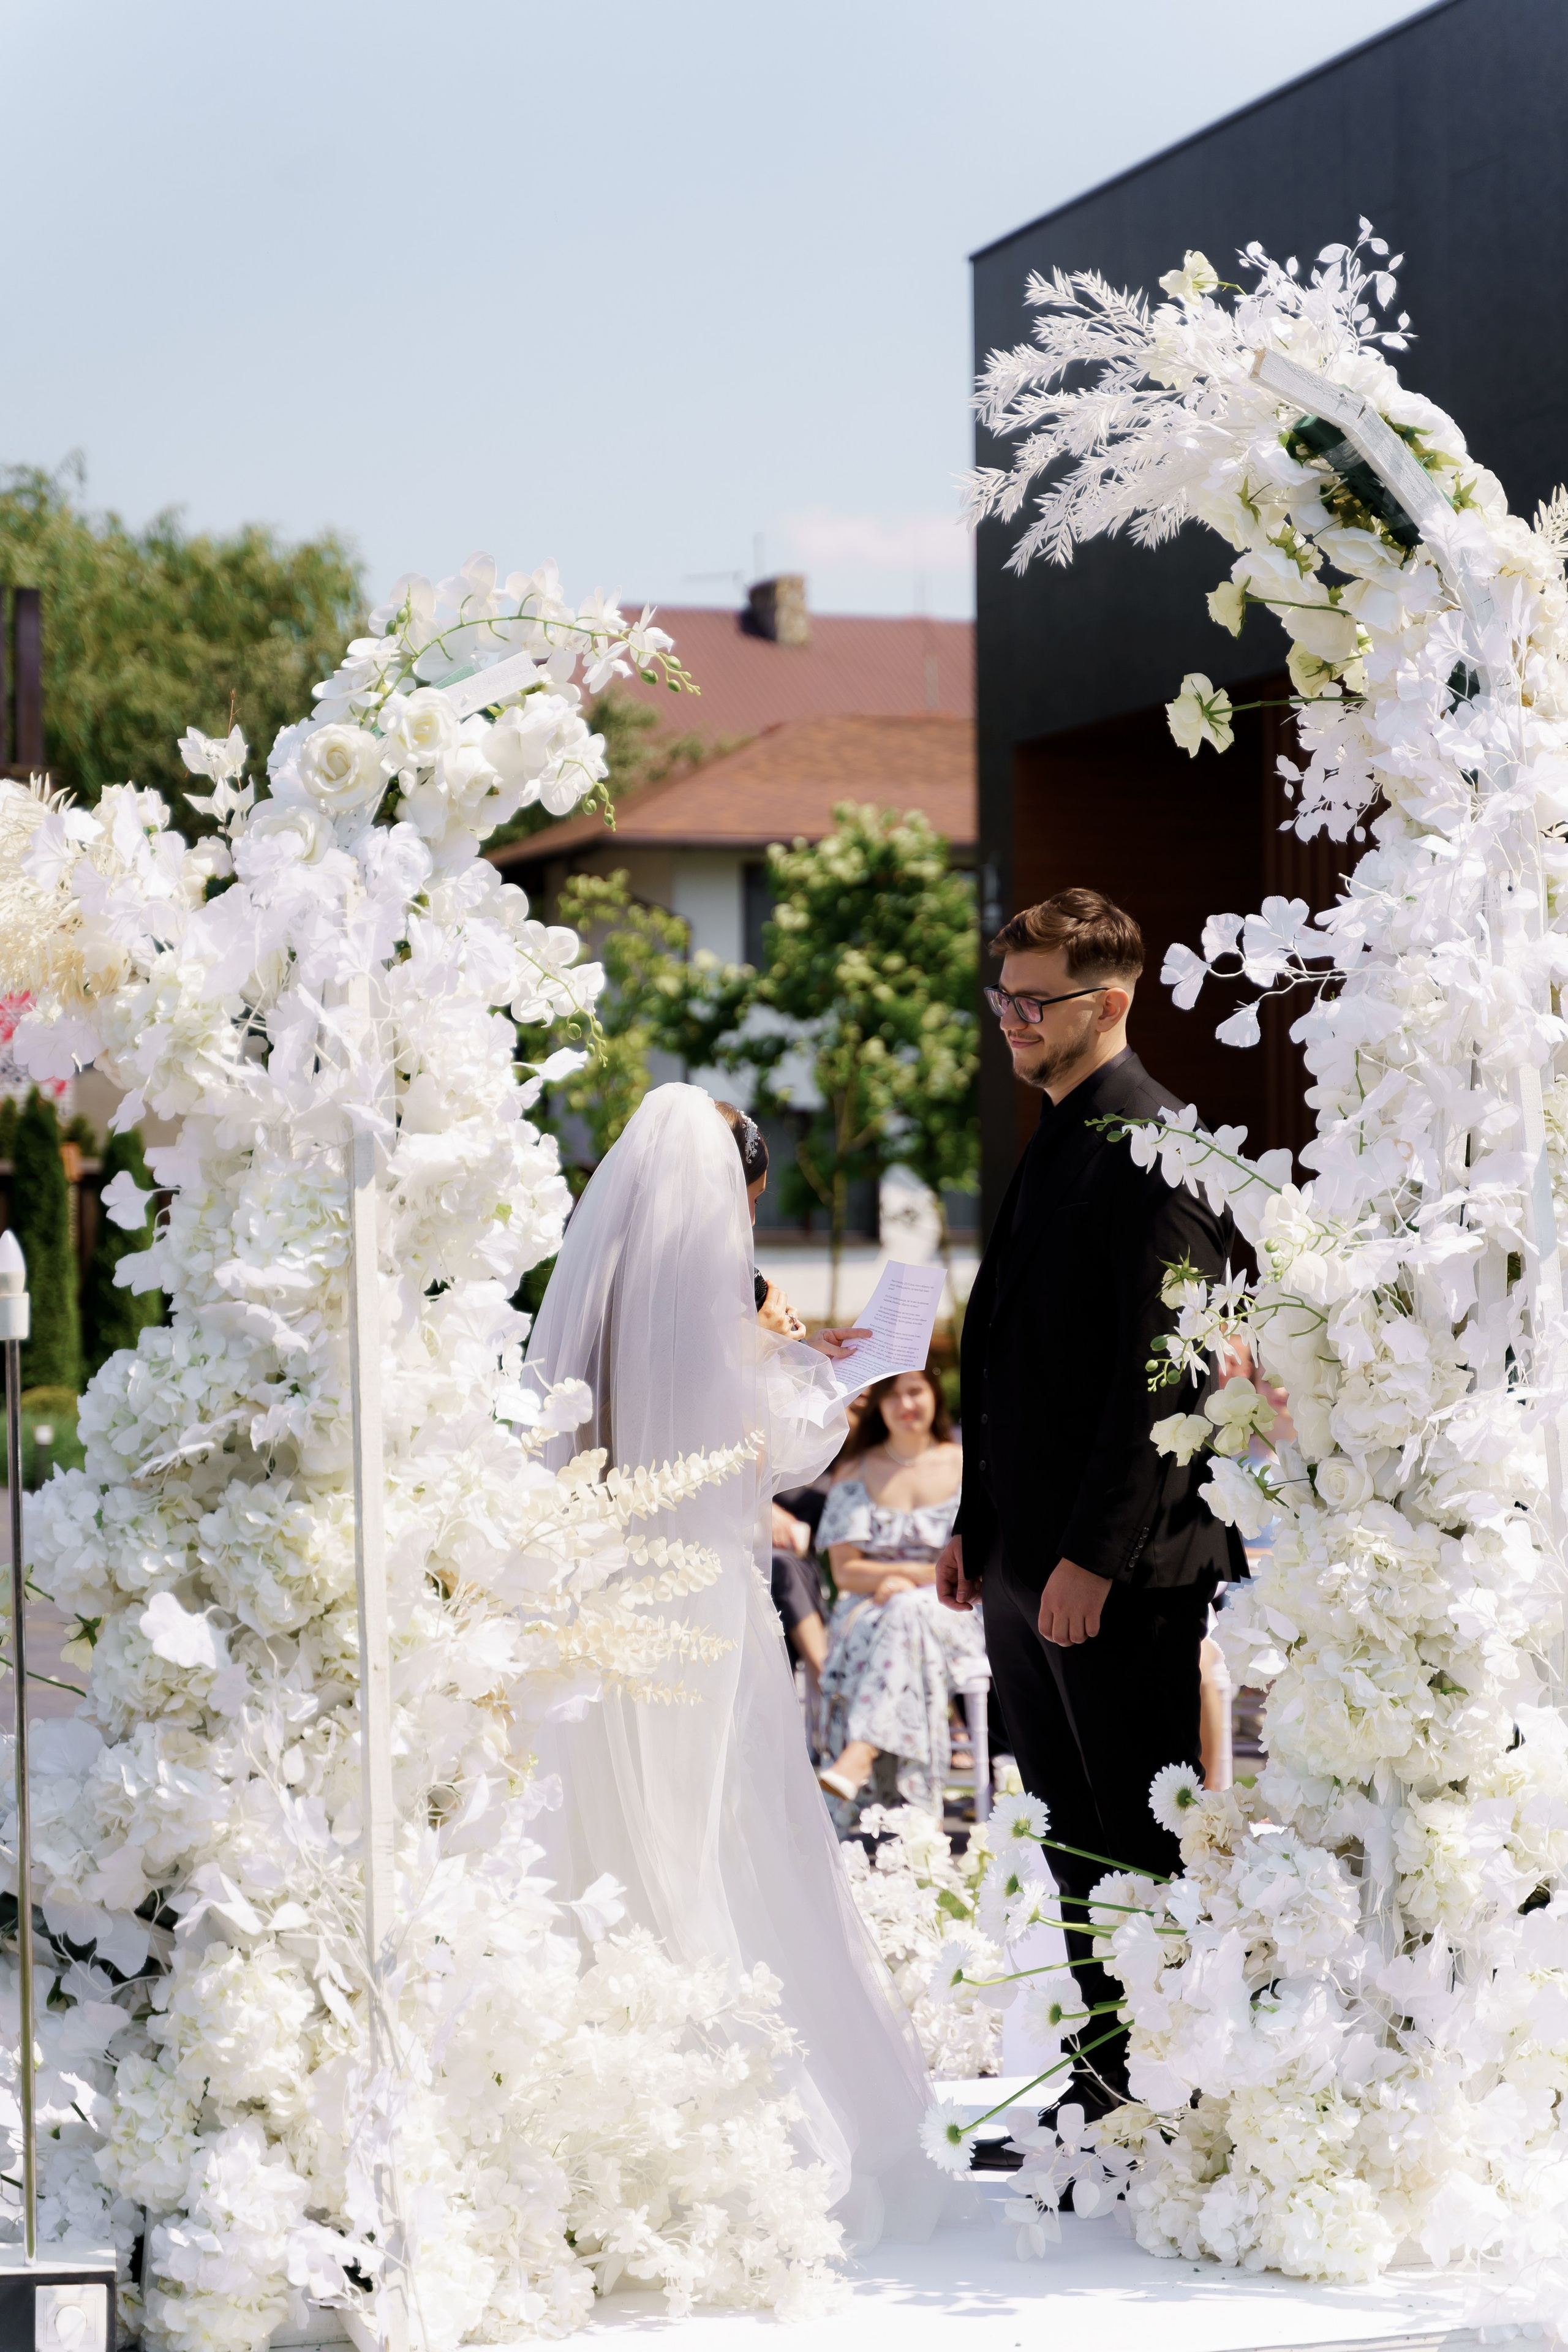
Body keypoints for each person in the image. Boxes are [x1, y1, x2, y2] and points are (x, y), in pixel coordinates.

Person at [526, 1083, 947, 2245]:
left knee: (611, 1822)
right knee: (721, 1822)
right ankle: (729, 2108)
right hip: (703, 1603)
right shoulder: (725, 1306)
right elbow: (767, 1453)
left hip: (598, 1598)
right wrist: (828, 1370)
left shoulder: (603, 1299)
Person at [936, 888, 1246, 2106]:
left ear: (1106, 1002)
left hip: (1115, 1573)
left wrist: (1090, 1561)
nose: (1006, 1020)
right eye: (998, 996)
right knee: (1073, 1837)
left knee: (1137, 1844)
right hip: (1026, 1560)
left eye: (1031, 999)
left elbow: (1158, 1385)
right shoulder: (1059, 1132)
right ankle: (1103, 2089)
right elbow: (1011, 1350)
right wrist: (977, 1525)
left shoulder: (1158, 1145)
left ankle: (1165, 2092)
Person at [815, 1368, 984, 1822]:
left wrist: (907, 1579)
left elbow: (986, 1554)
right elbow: (845, 1572)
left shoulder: (969, 1462)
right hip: (870, 1609)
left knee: (909, 1609)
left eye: (915, 1391)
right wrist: (904, 1578)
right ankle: (894, 1788)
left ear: (934, 1396)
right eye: (893, 1396)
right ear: (879, 1408)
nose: (906, 1404)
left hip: (957, 1609)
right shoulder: (855, 1469)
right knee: (903, 1613)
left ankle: (862, 1752)